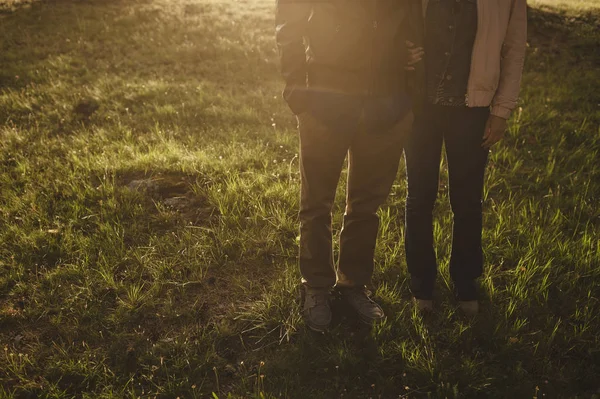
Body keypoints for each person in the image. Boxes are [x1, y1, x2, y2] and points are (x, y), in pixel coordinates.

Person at [276, 0, 424, 332]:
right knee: (316, 202)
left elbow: (414, 20)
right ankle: (316, 287)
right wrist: (297, 91)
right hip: (326, 100)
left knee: (366, 204)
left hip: (387, 102)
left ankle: (353, 283)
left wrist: (407, 63)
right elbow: (289, 21)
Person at [405, 0, 527, 315]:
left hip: (473, 111)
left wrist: (501, 111)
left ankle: (465, 280)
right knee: (420, 196)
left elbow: (513, 49)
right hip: (420, 108)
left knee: (468, 200)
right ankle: (421, 282)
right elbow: (393, 28)